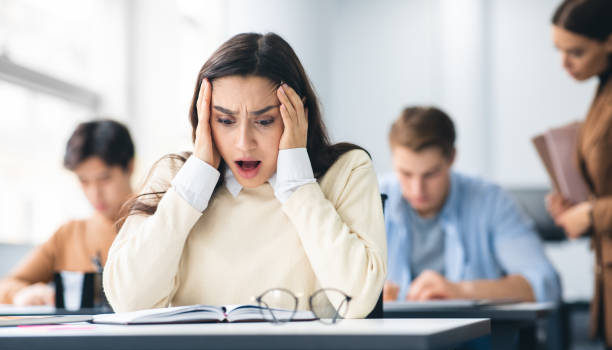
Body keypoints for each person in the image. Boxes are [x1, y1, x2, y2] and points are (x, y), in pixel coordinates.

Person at [103, 33, 386, 321]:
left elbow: (357, 301)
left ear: (298, 114)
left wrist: (298, 185)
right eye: (225, 121)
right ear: (204, 120)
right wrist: (195, 183)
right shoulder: (176, 177)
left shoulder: (346, 171)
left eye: (264, 121)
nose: (243, 143)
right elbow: (128, 302)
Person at [381, 107, 561, 303]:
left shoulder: (491, 201)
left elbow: (545, 283)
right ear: (393, 161)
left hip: (478, 333)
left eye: (430, 174)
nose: (417, 190)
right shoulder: (370, 199)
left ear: (451, 158)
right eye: (406, 174)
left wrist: (461, 291)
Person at [0, 120, 135, 305]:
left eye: (104, 179)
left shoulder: (156, 224)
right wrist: (20, 294)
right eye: (84, 181)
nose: (94, 194)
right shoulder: (69, 234)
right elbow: (7, 285)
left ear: (131, 167)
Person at [547, 0, 612, 350]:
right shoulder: (602, 90)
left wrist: (591, 214)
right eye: (559, 50)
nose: (564, 63)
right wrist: (577, 205)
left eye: (576, 52)